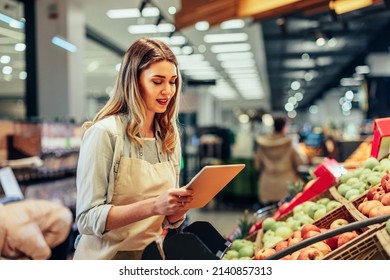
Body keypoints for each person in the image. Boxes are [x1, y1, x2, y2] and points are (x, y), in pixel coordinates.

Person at [73, 38, 193, 260]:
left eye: (173, 81)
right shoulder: (105, 133)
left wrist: (177, 211)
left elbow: (167, 218)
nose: (168, 91)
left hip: (151, 257)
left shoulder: (168, 136)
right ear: (134, 82)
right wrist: (154, 206)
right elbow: (87, 219)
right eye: (157, 82)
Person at [254, 116, 307, 206]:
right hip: (287, 185)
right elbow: (301, 162)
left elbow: (257, 165)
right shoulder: (290, 143)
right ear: (284, 127)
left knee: (269, 216)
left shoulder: (263, 144)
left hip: (267, 186)